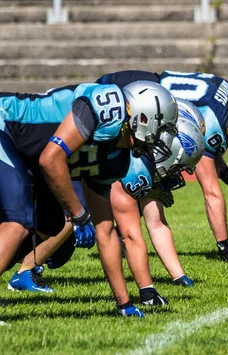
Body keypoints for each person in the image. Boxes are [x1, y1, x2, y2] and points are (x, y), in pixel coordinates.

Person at [0, 81, 179, 317]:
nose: (159, 139)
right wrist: (78, 214)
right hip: (6, 124)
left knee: (49, 224)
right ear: (143, 118)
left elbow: (105, 231)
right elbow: (50, 159)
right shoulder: (109, 108)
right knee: (19, 220)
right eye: (161, 129)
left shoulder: (116, 158)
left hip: (26, 153)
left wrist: (124, 303)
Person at [96, 71, 228, 262]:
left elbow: (207, 152)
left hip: (142, 89)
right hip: (129, 95)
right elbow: (211, 192)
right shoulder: (216, 118)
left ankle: (116, 235)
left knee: (150, 177)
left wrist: (224, 172)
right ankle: (97, 227)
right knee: (136, 175)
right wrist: (225, 247)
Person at [111, 100, 205, 307]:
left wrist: (179, 276)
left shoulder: (149, 162)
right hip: (73, 196)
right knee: (64, 227)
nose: (179, 173)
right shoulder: (137, 166)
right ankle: (27, 269)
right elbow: (130, 233)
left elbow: (157, 223)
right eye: (179, 167)